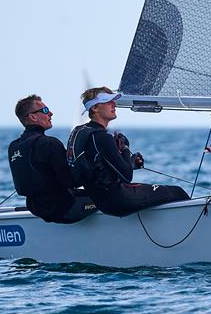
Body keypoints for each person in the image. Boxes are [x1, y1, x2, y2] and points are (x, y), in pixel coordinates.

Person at [66, 86, 190, 217]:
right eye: (108, 101)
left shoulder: (79, 131)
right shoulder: (102, 137)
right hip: (117, 200)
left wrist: (129, 162)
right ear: (94, 108)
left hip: (99, 199)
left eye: (113, 101)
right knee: (178, 192)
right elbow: (126, 177)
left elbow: (96, 167)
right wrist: (125, 147)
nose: (114, 104)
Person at [8, 94, 97, 223]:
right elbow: (71, 181)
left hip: (37, 209)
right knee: (109, 197)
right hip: (65, 208)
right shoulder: (49, 143)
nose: (51, 113)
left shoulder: (14, 146)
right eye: (45, 111)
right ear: (33, 117)